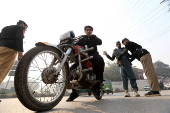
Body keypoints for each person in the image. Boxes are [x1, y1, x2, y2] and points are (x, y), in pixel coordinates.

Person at [66, 25, 105, 101]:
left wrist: (95, 38)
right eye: (87, 30)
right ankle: (74, 92)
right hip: (83, 56)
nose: (89, 31)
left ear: (92, 31)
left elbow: (100, 42)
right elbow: (75, 45)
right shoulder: (82, 39)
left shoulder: (93, 38)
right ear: (85, 31)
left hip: (93, 54)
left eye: (90, 30)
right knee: (70, 70)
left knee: (100, 60)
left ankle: (97, 85)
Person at [0, 20, 28, 102]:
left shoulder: (5, 28)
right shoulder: (20, 28)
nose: (25, 31)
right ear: (23, 25)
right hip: (10, 50)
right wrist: (20, 51)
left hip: (1, 48)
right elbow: (19, 37)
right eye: (25, 29)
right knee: (1, 71)